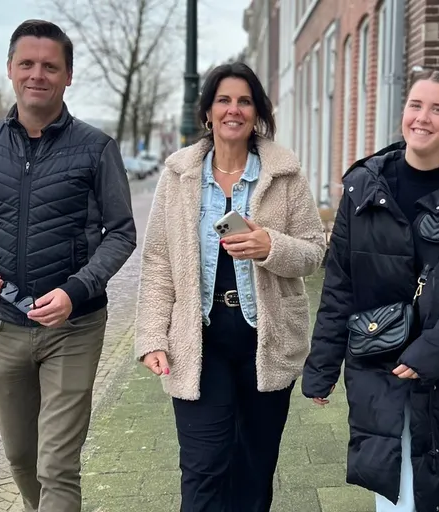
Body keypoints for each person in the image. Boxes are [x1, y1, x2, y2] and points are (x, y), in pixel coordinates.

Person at [0, 19, 136, 512]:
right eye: (26, 64)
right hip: (4, 324)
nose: (37, 74)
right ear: (10, 69)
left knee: (57, 466)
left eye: (50, 66)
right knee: (21, 456)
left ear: (68, 76)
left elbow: (123, 233)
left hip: (75, 325)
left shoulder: (96, 148)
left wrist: (76, 289)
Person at [301, 66, 439, 512]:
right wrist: (322, 366)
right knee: (392, 484)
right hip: (378, 359)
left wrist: (428, 354)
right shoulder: (362, 189)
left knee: (431, 484)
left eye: (438, 109)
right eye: (416, 105)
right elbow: (339, 283)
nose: (423, 117)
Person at [133, 62, 326, 511]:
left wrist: (269, 246)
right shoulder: (178, 176)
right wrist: (151, 338)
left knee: (255, 469)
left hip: (267, 340)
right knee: (203, 469)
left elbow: (315, 252)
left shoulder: (285, 174)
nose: (233, 110)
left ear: (257, 111)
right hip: (199, 343)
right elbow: (158, 261)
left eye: (244, 101)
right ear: (207, 112)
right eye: (223, 100)